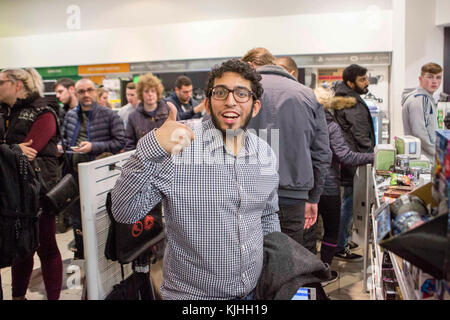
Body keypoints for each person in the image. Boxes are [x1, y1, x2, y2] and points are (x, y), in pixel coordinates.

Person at [111, 59, 280, 300]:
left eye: (242, 93)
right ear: (208, 102)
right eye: (221, 92)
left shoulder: (265, 153)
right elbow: (124, 212)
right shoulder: (180, 145)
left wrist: (273, 268)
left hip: (253, 291)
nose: (230, 100)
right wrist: (152, 147)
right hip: (192, 297)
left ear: (254, 107)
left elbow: (268, 214)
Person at [242, 48, 331, 254]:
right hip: (294, 195)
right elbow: (322, 153)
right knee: (289, 261)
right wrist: (313, 197)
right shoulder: (307, 95)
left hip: (249, 193)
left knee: (251, 259)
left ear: (251, 67)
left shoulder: (242, 94)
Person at [0, 68, 63, 300]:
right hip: (12, 192)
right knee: (21, 249)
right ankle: (18, 297)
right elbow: (18, 152)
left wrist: (8, 150)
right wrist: (12, 150)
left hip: (38, 191)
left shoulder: (43, 112)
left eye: (1, 82)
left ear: (18, 85)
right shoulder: (6, 112)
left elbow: (29, 152)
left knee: (45, 246)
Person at [314, 86, 374, 285]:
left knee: (308, 234)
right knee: (331, 230)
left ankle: (306, 275)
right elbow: (345, 156)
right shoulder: (330, 126)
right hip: (328, 186)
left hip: (306, 188)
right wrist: (373, 156)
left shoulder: (303, 124)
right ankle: (323, 272)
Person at [60, 79, 125, 259]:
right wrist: (60, 147)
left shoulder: (109, 115)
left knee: (99, 221)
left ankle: (101, 262)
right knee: (77, 222)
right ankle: (82, 259)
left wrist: (93, 147)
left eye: (89, 90)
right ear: (77, 94)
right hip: (74, 178)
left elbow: (120, 142)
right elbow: (64, 138)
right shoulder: (70, 116)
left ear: (95, 92)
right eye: (82, 91)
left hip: (99, 179)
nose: (86, 94)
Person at [333, 64, 375, 261]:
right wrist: (371, 155)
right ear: (351, 83)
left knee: (347, 203)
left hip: (349, 158)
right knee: (348, 204)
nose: (366, 83)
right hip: (352, 159)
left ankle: (342, 240)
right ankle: (340, 246)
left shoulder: (344, 96)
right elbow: (359, 132)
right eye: (362, 79)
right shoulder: (350, 101)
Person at [402, 62, 443, 161]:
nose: (435, 81)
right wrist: (438, 151)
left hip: (422, 158)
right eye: (430, 77)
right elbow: (419, 132)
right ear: (420, 79)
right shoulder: (420, 100)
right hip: (423, 159)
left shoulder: (424, 98)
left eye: (438, 77)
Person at [124, 73, 170, 151]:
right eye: (146, 91)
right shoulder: (133, 117)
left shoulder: (168, 112)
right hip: (143, 160)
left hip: (167, 159)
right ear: (141, 94)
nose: (150, 94)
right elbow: (129, 144)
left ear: (157, 92)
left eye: (153, 91)